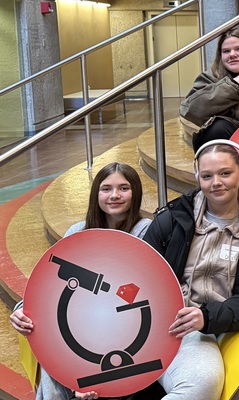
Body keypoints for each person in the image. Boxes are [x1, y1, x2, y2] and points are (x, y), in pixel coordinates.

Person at [144, 140, 239, 400]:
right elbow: (143, 275)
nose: (216, 183)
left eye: (225, 173)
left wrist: (210, 317)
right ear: (197, 176)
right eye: (207, 176)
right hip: (180, 323)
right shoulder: (172, 219)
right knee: (204, 380)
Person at [10, 164, 150, 400]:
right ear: (96, 194)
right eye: (106, 189)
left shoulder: (146, 231)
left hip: (122, 324)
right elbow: (51, 284)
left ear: (135, 192)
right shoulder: (78, 231)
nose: (114, 195)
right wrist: (22, 309)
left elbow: (142, 289)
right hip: (80, 317)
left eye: (123, 188)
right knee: (50, 343)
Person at [180, 26, 239, 150]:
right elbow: (192, 111)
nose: (232, 55)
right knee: (218, 127)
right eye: (226, 51)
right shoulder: (211, 77)